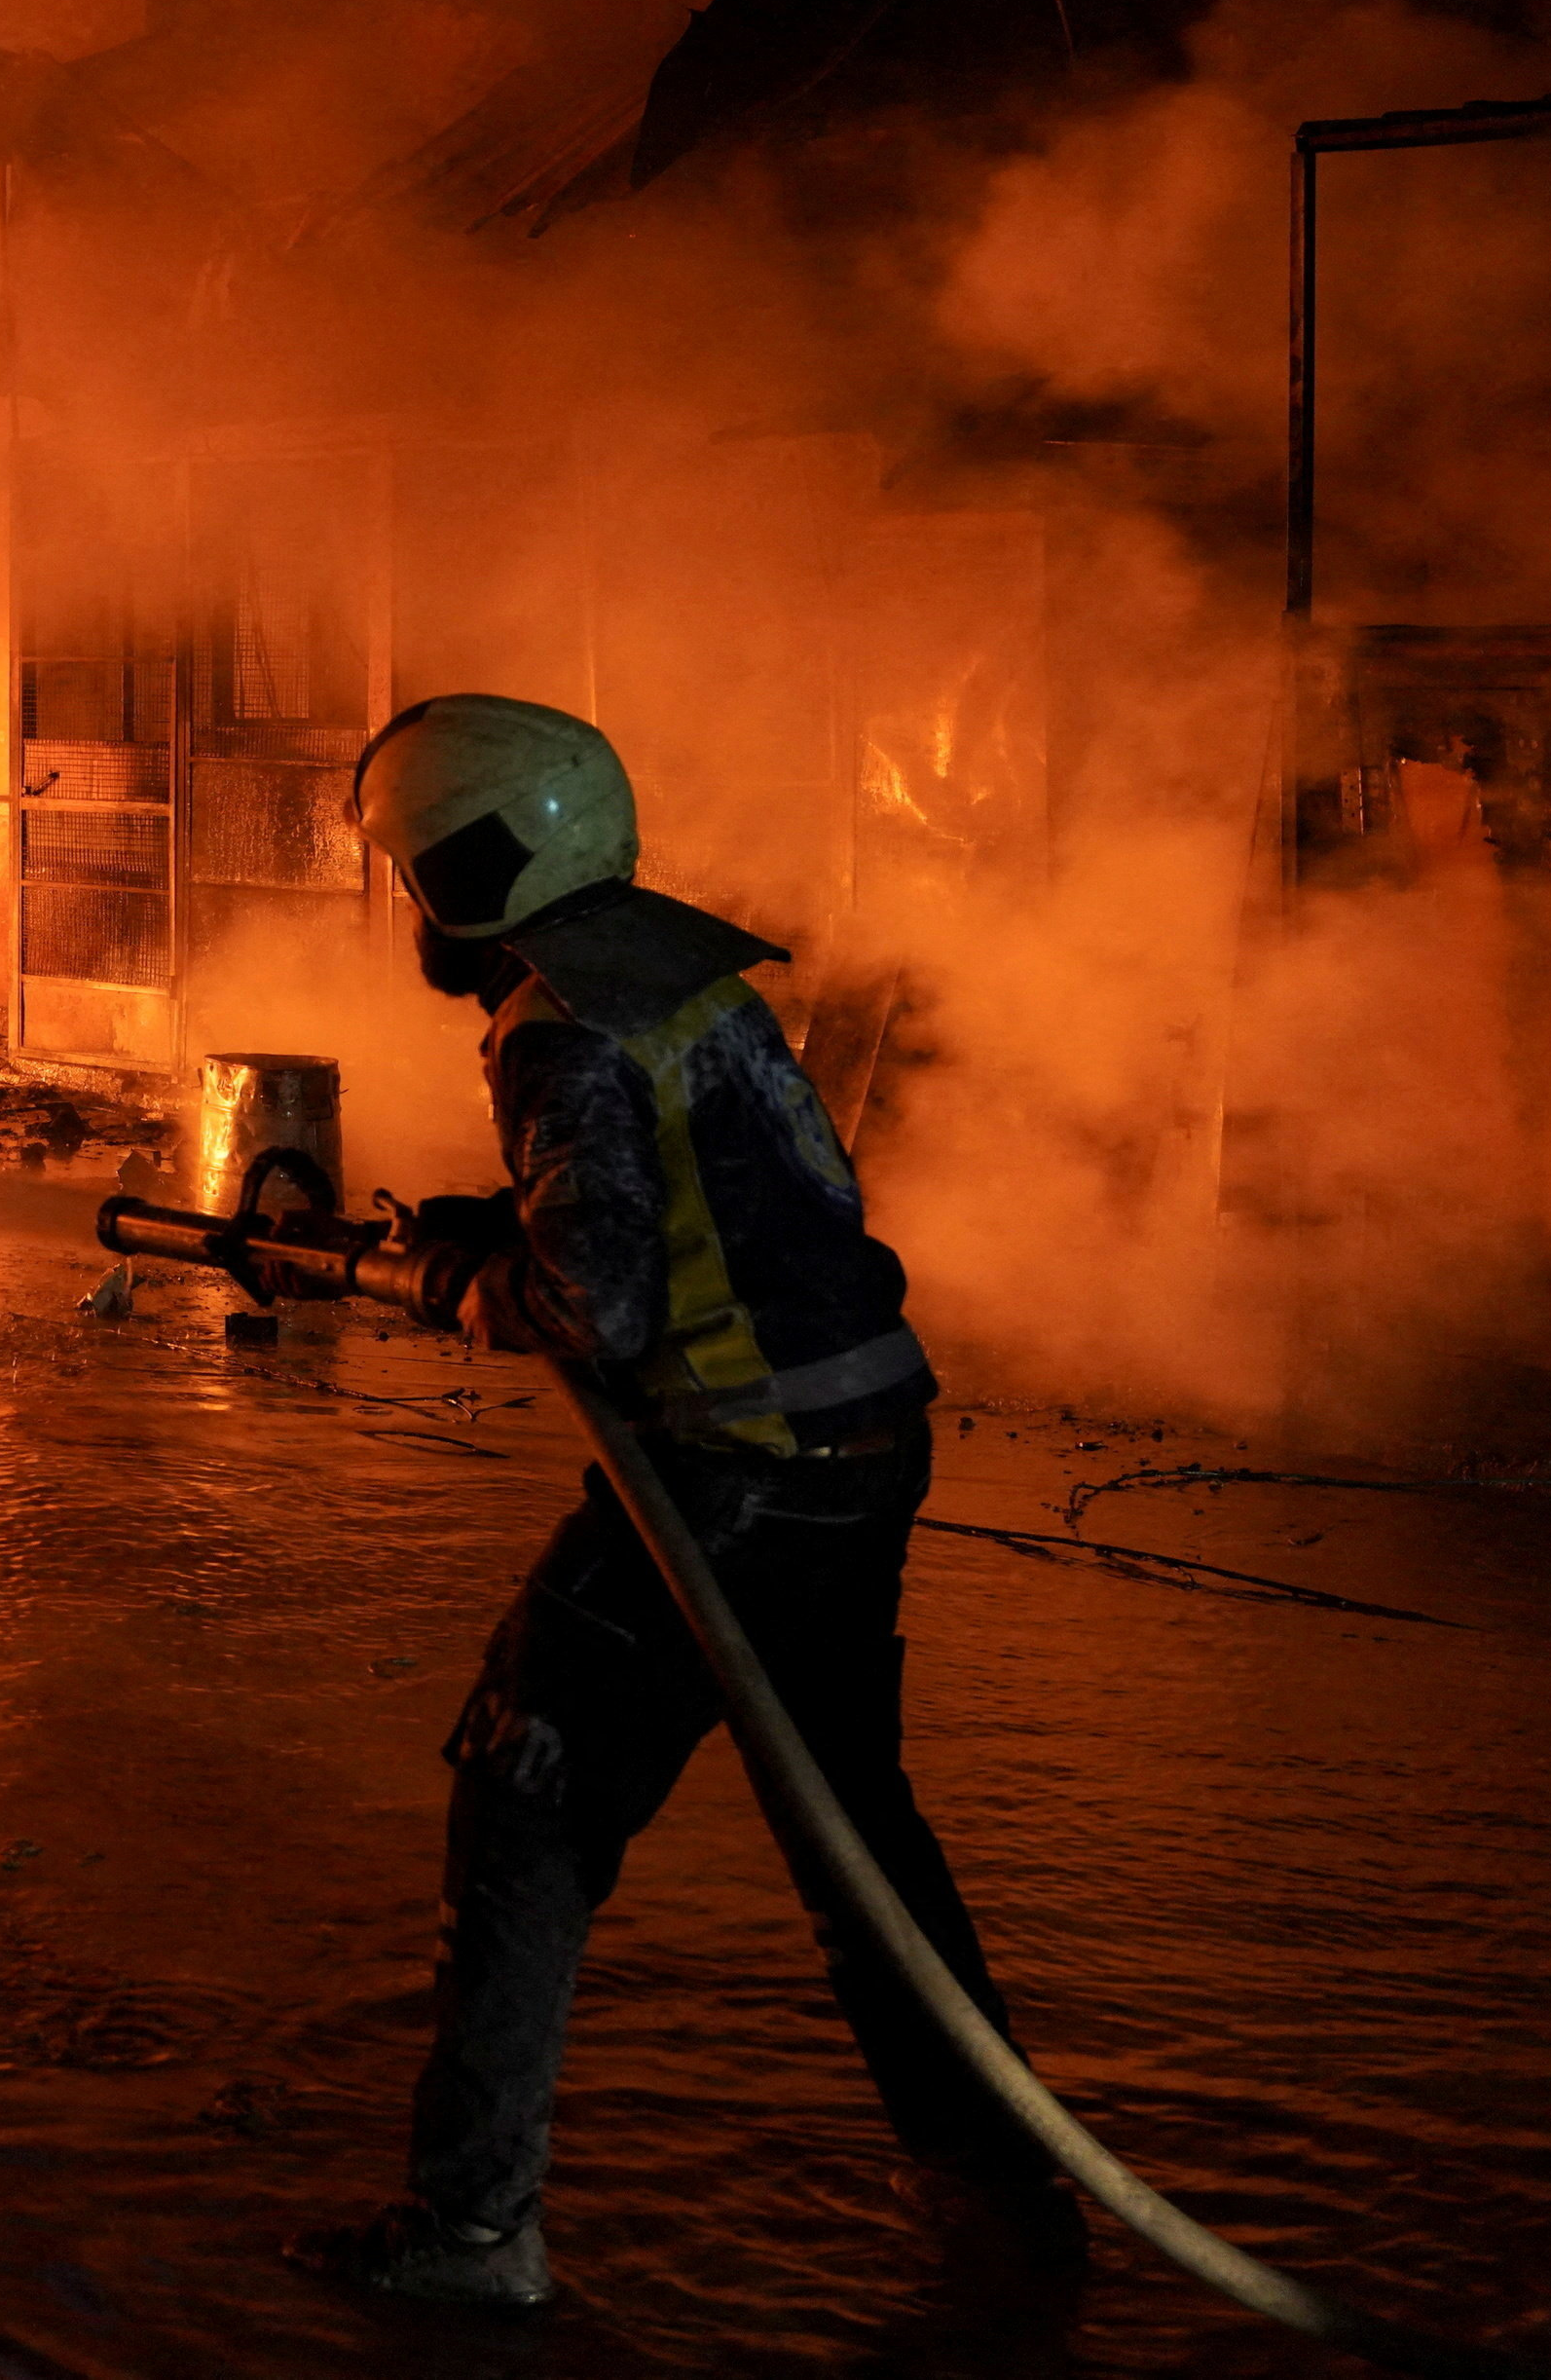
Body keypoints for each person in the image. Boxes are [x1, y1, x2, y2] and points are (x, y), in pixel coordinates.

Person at [298, 691, 1075, 2313]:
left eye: (409, 870)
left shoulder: (561, 1024)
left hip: (732, 1478)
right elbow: (714, 1199)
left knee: (525, 1794)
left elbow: (603, 1305)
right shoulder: (679, 974)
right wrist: (494, 1219)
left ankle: (471, 2232)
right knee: (858, 1842)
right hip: (857, 1447)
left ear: (462, 871)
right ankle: (1007, 2208)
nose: (406, 904)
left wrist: (474, 1280)